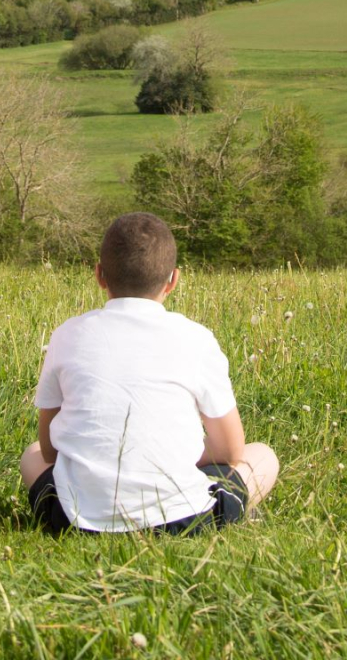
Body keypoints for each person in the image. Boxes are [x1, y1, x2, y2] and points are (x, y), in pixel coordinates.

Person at [22, 211, 280, 535]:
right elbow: (231, 450)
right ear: (173, 279)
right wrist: (178, 453)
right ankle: (230, 511)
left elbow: (49, 450)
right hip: (185, 520)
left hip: (73, 519)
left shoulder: (67, 334)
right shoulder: (196, 338)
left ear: (99, 275)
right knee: (264, 457)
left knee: (32, 455)